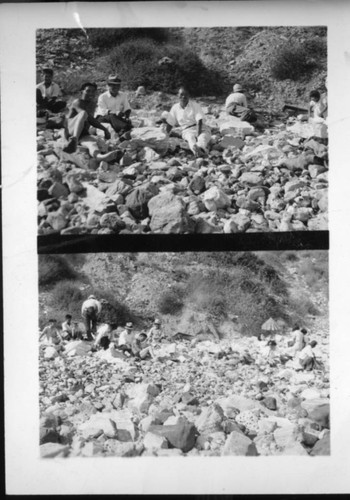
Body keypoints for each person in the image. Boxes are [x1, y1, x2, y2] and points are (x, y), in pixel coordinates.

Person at [62, 82, 120, 162]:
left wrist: (105, 130)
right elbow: (88, 117)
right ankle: (74, 140)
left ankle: (100, 156)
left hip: (82, 133)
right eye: (88, 91)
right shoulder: (77, 102)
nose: (91, 93)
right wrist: (103, 129)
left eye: (93, 91)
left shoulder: (92, 104)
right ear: (81, 92)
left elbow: (91, 121)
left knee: (92, 144)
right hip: (70, 132)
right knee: (84, 113)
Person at [166, 86, 211, 158]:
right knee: (190, 138)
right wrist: (165, 136)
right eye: (181, 95)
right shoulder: (175, 108)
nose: (183, 97)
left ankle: (200, 148)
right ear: (178, 95)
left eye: (185, 95)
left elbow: (199, 121)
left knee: (202, 137)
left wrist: (198, 135)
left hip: (200, 127)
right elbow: (170, 123)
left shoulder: (195, 105)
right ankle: (196, 150)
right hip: (187, 130)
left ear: (189, 96)